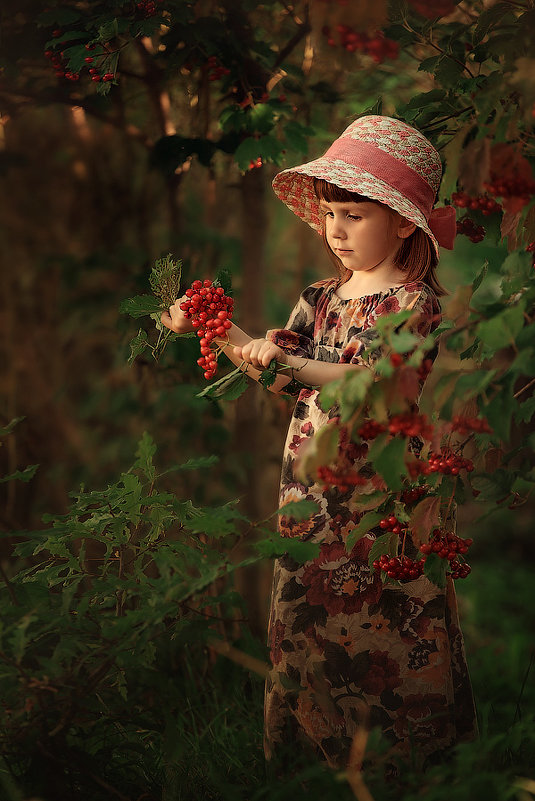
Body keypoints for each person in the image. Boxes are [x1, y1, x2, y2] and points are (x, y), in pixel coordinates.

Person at [161, 115, 478, 772]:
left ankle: (402, 760)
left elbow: (376, 386)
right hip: (312, 491)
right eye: (330, 212)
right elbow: (277, 377)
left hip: (381, 490)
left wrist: (290, 365)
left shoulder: (411, 302)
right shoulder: (320, 298)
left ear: (400, 222)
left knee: (389, 615)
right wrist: (217, 328)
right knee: (309, 613)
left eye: (354, 214)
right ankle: (311, 761)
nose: (335, 230)